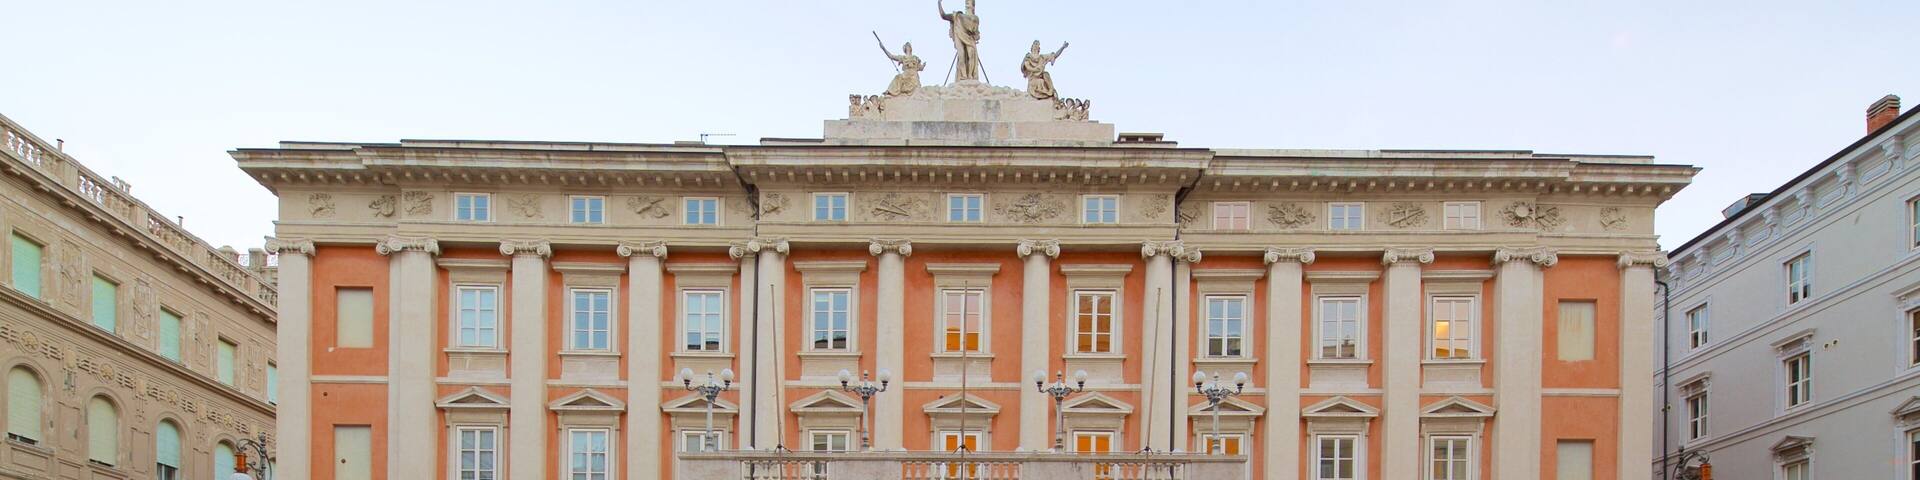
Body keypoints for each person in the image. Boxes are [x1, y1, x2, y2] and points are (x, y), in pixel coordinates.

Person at [938, 0, 982, 82]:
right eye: (966, 1)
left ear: (973, 5)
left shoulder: (975, 18)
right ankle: (963, 76)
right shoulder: (958, 16)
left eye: (969, 1)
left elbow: (976, 31)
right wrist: (939, 3)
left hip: (970, 40)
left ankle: (970, 76)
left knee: (971, 56)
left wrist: (975, 35)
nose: (967, 3)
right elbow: (943, 16)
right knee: (961, 55)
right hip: (960, 38)